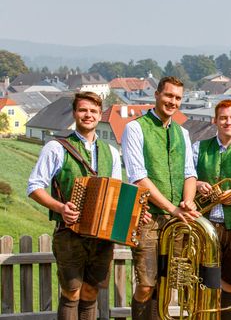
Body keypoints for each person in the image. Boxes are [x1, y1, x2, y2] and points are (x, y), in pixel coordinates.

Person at [27, 92, 123, 320]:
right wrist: (61, 208)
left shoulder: (111, 152)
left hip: (102, 237)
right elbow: (34, 187)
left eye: (93, 111)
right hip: (69, 233)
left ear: (100, 115)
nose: (88, 115)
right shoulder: (56, 147)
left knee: (90, 292)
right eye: (83, 110)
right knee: (71, 292)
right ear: (74, 114)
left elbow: (118, 192)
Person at [122, 76, 200, 320]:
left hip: (176, 221)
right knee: (146, 284)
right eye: (168, 96)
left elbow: (190, 174)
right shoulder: (135, 128)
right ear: (156, 95)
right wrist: (172, 209)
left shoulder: (183, 133)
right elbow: (139, 178)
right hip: (148, 219)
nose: (172, 102)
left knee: (166, 285)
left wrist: (187, 202)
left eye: (177, 98)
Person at [192, 99, 231, 319]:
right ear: (214, 120)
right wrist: (198, 185)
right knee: (203, 281)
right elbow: (187, 179)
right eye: (224, 118)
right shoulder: (199, 147)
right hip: (205, 224)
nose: (228, 122)